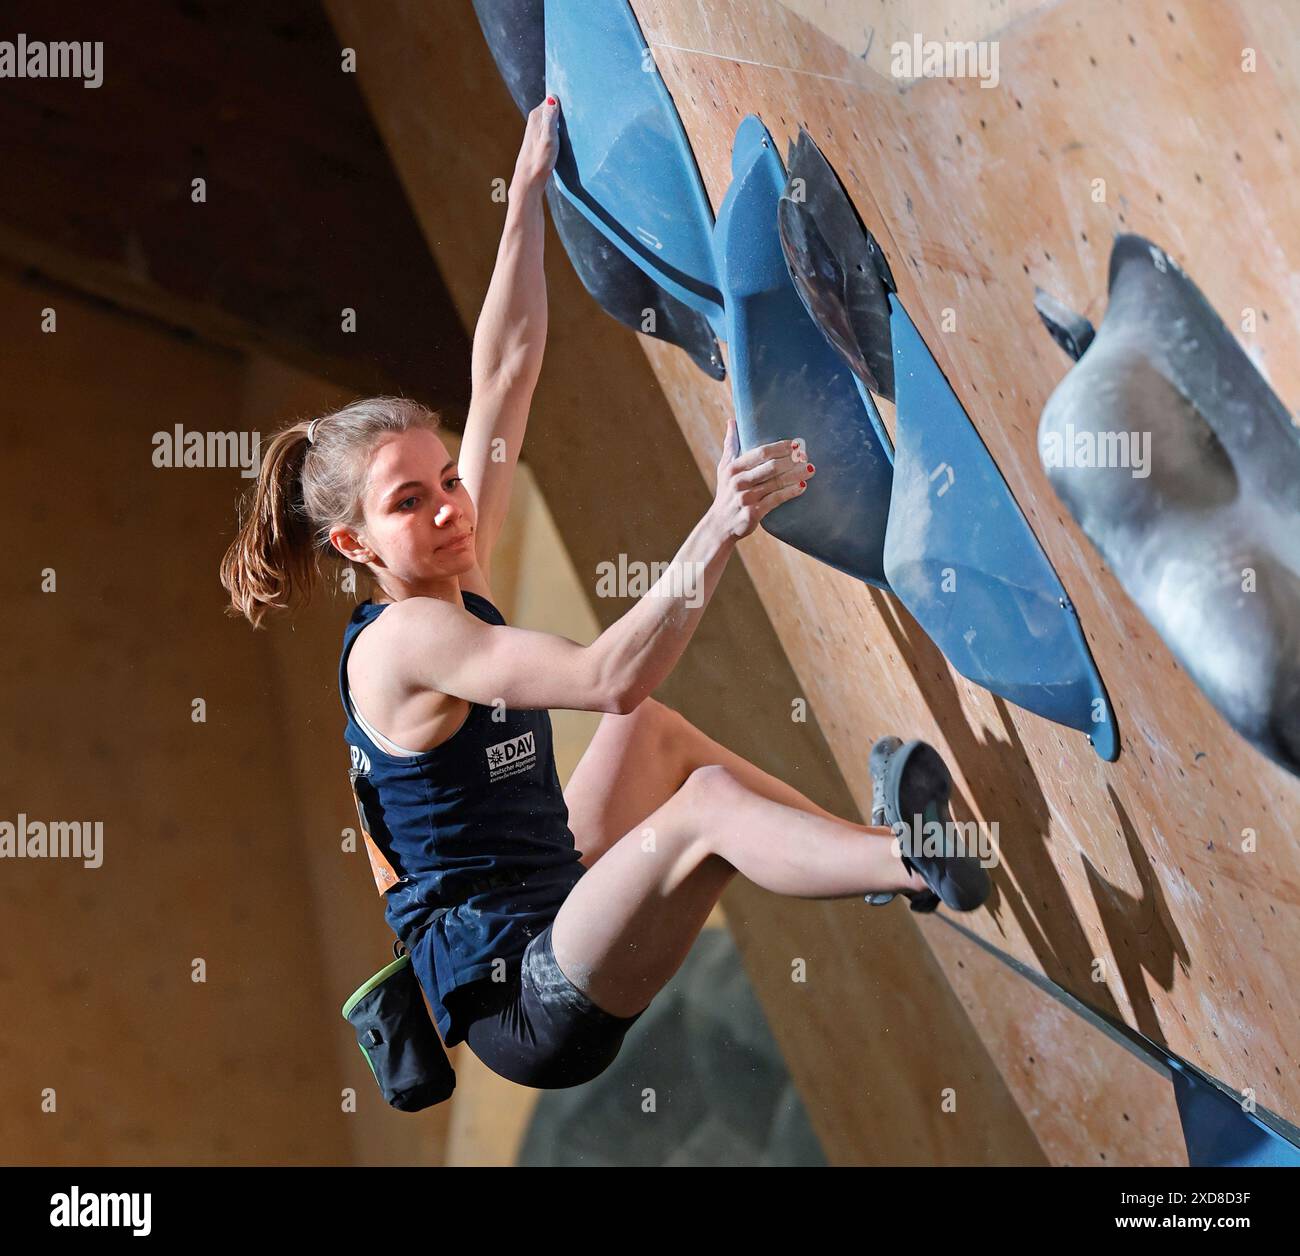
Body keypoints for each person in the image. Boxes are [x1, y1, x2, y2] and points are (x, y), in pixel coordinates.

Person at [219, 98, 989, 1091]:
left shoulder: (451, 564)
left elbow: (502, 366)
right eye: (410, 501)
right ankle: (915, 865)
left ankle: (880, 855)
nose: (452, 507)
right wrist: (719, 524)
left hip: (550, 886)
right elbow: (604, 675)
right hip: (523, 999)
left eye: (448, 477)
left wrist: (525, 196)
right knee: (700, 802)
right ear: (353, 542)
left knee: (658, 738)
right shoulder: (402, 643)